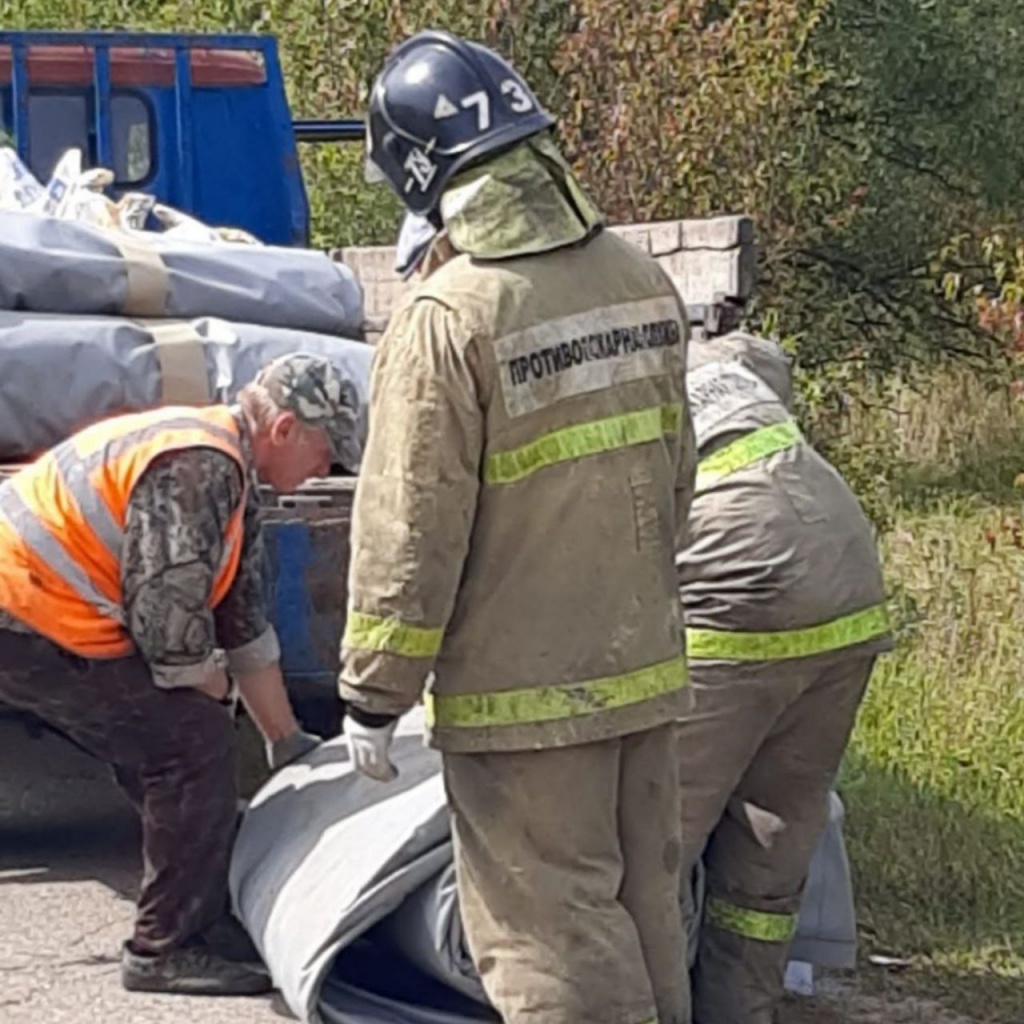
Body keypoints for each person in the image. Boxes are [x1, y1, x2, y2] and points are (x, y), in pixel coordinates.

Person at [339, 30, 695, 1024]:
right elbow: (677, 474)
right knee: (644, 915)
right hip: (647, 673)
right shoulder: (639, 277)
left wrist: (374, 692)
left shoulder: (448, 315)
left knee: (549, 939)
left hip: (521, 703)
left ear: (421, 173)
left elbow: (411, 527)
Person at [0, 353, 358, 996]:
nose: (325, 472)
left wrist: (288, 744)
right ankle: (165, 946)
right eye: (326, 452)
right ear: (283, 430)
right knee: (189, 742)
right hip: (22, 608)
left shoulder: (234, 473)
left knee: (168, 734)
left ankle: (200, 906)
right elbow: (167, 627)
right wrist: (210, 687)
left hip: (40, 607)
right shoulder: (199, 464)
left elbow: (240, 621)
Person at [676, 331, 893, 1024]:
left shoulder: (597, 376)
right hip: (846, 572)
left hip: (737, 582)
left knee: (650, 845)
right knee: (769, 850)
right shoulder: (722, 367)